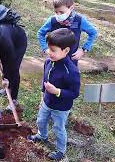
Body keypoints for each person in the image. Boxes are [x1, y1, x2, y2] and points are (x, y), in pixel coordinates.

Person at [28, 28, 80, 160]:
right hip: (47, 101)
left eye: (53, 50)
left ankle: (60, 151)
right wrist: (42, 96)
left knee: (58, 128)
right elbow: (44, 81)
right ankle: (42, 136)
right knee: (40, 120)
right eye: (48, 48)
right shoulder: (48, 62)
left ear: (66, 50)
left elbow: (74, 93)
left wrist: (57, 91)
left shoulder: (71, 71)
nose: (48, 52)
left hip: (61, 108)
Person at [38, 0, 97, 66]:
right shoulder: (52, 20)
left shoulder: (79, 20)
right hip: (54, 60)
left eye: (61, 12)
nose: (58, 15)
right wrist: (45, 49)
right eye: (56, 12)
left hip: (71, 61)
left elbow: (93, 33)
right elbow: (40, 33)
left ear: (71, 8)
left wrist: (83, 50)